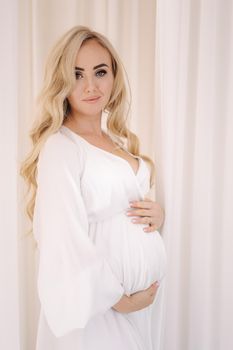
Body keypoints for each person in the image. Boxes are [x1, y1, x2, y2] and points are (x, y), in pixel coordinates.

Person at [20, 25, 167, 350]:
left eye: (100, 72)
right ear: (61, 82)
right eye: (76, 74)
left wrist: (155, 215)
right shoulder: (61, 147)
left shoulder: (117, 141)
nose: (90, 85)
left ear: (114, 76)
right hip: (96, 312)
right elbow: (63, 239)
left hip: (135, 311)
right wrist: (119, 300)